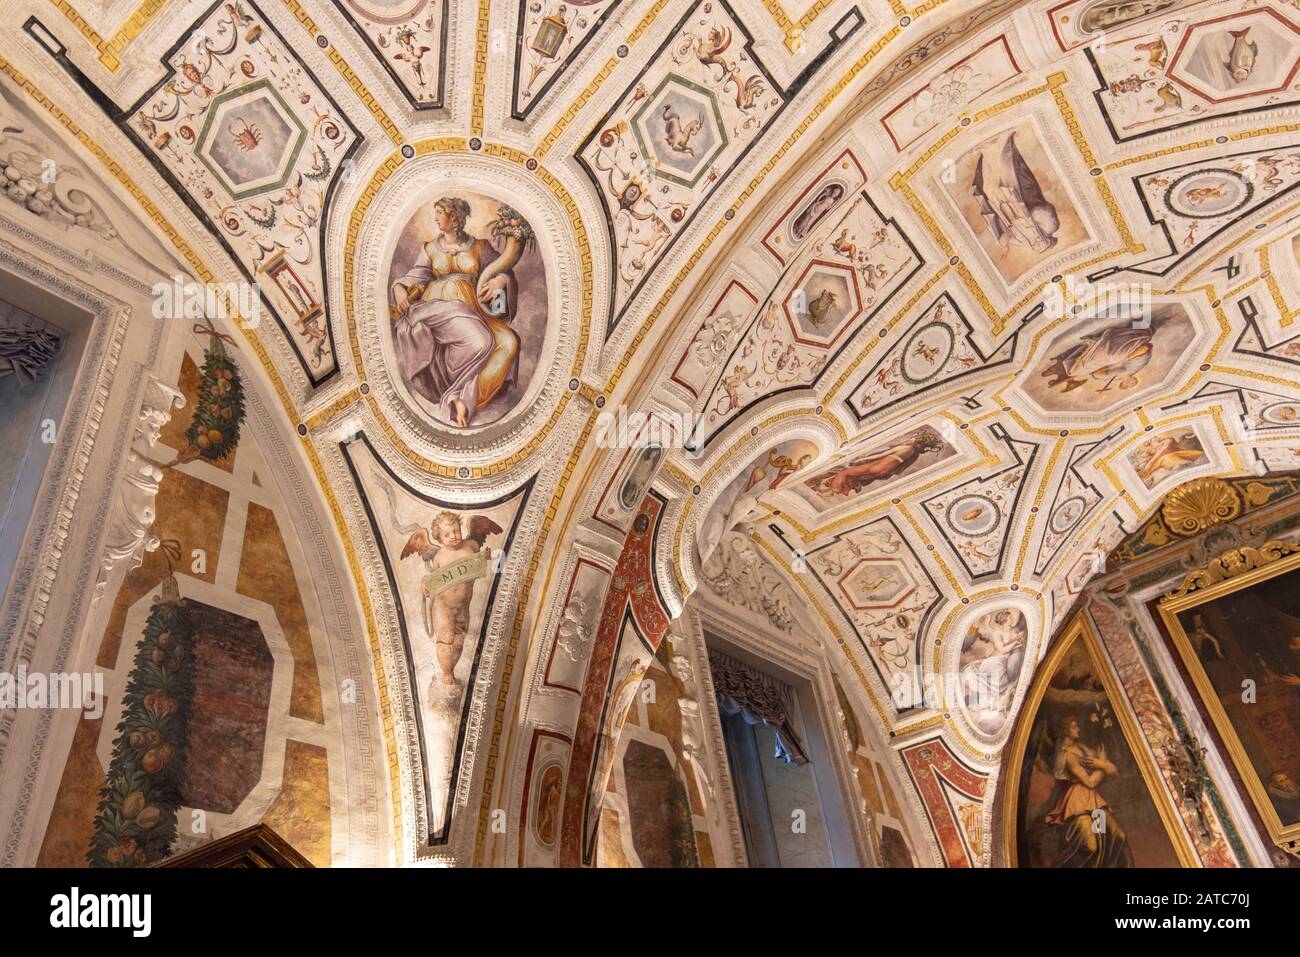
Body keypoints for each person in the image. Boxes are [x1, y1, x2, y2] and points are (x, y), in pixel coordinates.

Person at [390, 197, 532, 427]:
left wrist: (500, 281)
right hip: (437, 309)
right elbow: (414, 278)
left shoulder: (480, 246)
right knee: (478, 341)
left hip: (473, 309)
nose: (435, 218)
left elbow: (502, 270)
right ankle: (453, 391)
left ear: (453, 216)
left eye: (439, 213)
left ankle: (464, 399)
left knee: (508, 342)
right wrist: (398, 289)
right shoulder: (429, 248)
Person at [1043, 715, 1133, 867]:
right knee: (1091, 845)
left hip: (1094, 803)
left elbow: (1115, 772)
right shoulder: (1068, 755)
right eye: (1074, 726)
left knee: (1117, 835)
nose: (1078, 729)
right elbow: (1090, 782)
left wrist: (1103, 765)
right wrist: (1103, 765)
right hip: (1077, 803)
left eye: (1078, 725)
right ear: (1065, 731)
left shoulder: (1082, 748)